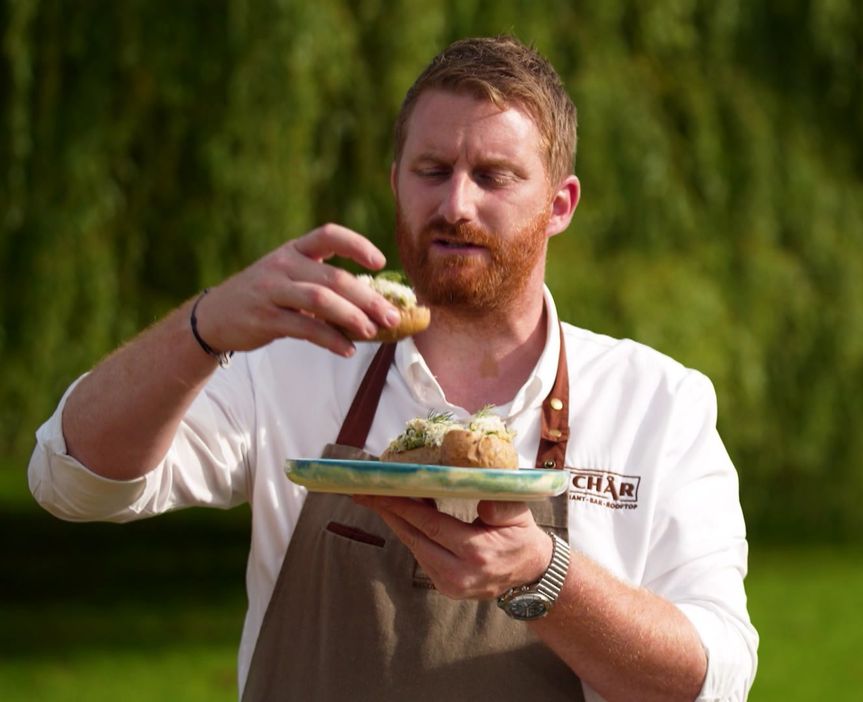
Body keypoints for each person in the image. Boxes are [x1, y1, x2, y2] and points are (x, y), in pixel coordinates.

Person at [28, 35, 757, 701]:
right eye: (432, 171)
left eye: (494, 176)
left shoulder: (657, 402)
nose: (455, 204)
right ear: (396, 181)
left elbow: (717, 676)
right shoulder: (291, 366)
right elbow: (72, 480)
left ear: (560, 205)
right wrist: (204, 326)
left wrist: (543, 574)